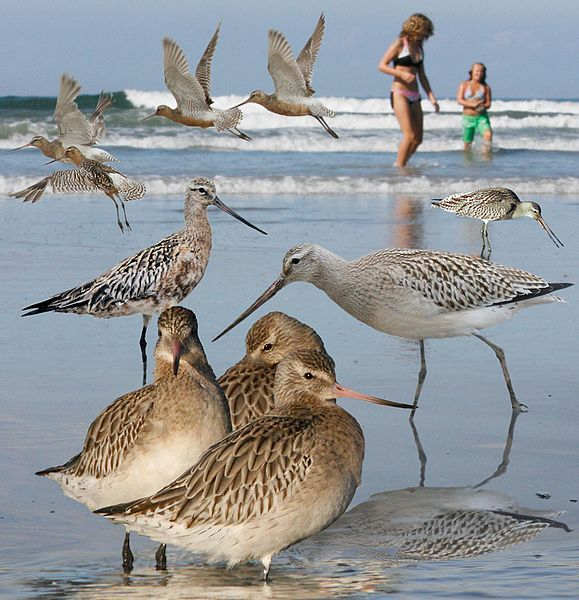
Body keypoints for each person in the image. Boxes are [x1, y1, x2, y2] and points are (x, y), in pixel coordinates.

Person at [378, 13, 439, 168]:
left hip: (415, 94)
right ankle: (400, 167)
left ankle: (402, 163)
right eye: (425, 29)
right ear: (416, 27)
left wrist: (431, 97)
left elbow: (422, 76)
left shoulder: (419, 48)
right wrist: (401, 74)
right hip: (400, 93)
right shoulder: (400, 44)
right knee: (409, 135)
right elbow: (382, 65)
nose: (426, 32)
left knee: (418, 139)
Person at [457, 62, 492, 152]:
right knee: (467, 143)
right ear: (472, 72)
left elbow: (488, 104)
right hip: (468, 118)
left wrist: (482, 106)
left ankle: (486, 156)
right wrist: (472, 104)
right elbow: (459, 100)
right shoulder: (464, 85)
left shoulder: (486, 87)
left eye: (481, 72)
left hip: (481, 117)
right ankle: (467, 161)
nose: (479, 73)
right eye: (477, 71)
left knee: (488, 134)